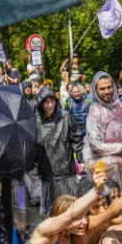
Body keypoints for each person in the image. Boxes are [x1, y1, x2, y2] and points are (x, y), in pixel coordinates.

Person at [86, 71, 122, 196]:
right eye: (102, 88)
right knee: (115, 203)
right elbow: (95, 146)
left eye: (109, 87)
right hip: (108, 169)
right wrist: (121, 147)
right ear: (96, 90)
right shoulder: (95, 112)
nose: (107, 91)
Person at [34, 87, 84, 215]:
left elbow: (76, 138)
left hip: (66, 169)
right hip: (47, 171)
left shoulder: (65, 116)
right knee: (52, 212)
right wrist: (31, 167)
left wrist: (80, 159)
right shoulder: (35, 120)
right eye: (46, 102)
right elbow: (32, 146)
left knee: (70, 209)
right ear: (40, 104)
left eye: (52, 101)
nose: (50, 105)